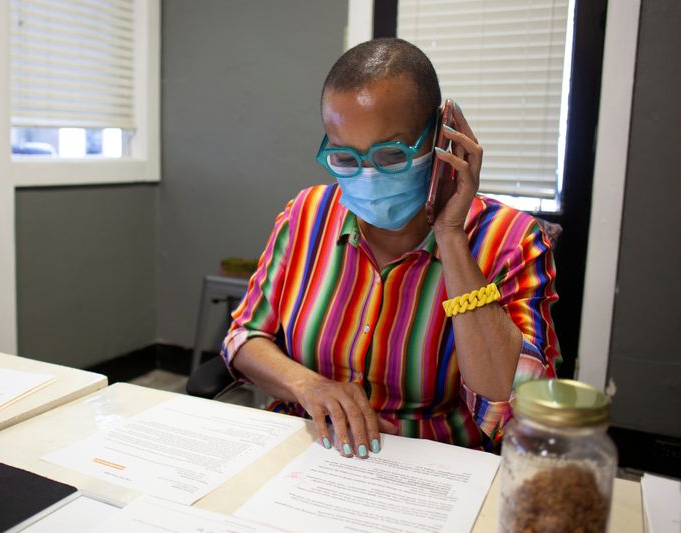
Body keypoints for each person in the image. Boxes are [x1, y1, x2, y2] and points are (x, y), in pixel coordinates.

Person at [221, 38, 560, 456]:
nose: (367, 176)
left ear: (441, 137)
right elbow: (243, 338)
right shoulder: (305, 216)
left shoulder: (510, 240)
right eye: (345, 158)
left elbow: (509, 409)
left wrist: (452, 237)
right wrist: (309, 386)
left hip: (431, 471)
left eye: (391, 155)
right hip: (309, 456)